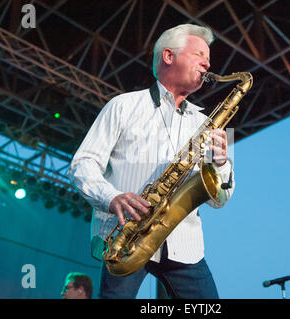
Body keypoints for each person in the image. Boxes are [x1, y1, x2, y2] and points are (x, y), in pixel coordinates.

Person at [68, 23, 235, 299]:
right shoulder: (122, 105)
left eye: (208, 58)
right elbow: (82, 164)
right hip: (125, 237)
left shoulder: (209, 124)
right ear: (169, 56)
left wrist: (221, 165)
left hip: (185, 245)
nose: (208, 63)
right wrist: (112, 197)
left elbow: (221, 199)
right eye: (199, 55)